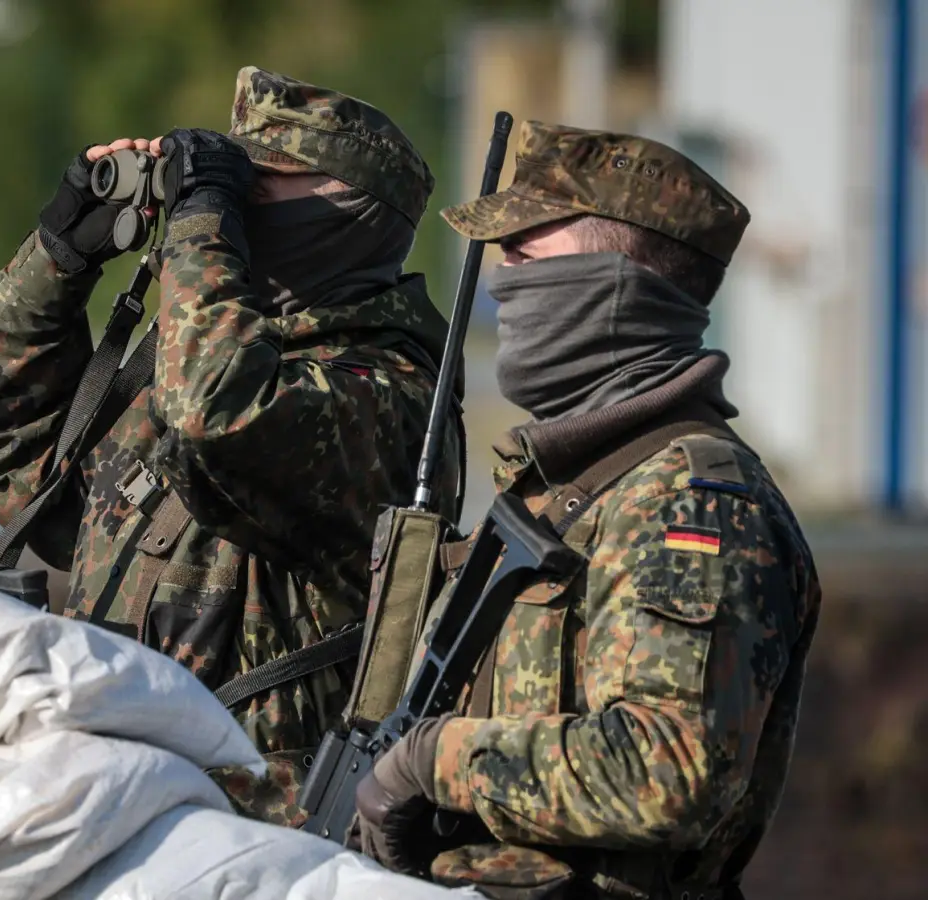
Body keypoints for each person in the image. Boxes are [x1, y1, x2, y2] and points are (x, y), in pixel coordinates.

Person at [0, 66, 463, 824]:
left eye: (261, 182)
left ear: (347, 212)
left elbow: (218, 412)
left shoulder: (385, 395)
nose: (237, 206)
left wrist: (201, 222)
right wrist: (60, 258)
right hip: (119, 797)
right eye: (230, 181)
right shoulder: (201, 358)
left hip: (253, 830)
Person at [351, 120, 823, 900]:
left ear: (616, 280)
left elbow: (669, 771)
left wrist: (434, 761)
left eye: (527, 250)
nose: (504, 277)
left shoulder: (692, 503)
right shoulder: (565, 484)